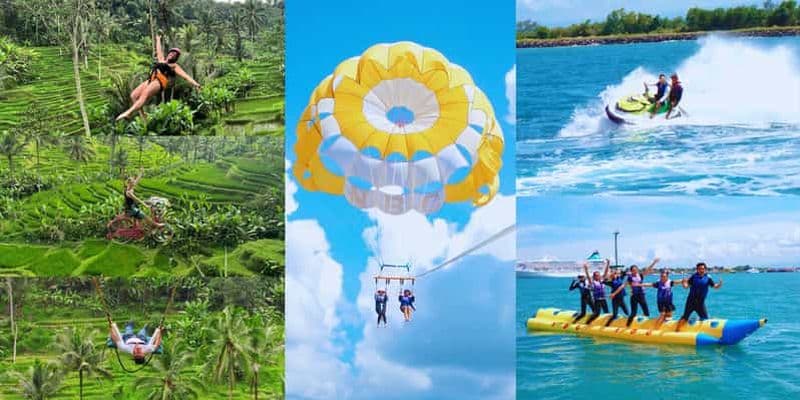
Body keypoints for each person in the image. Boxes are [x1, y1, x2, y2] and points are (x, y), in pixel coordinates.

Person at [115, 35, 201, 121]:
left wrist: (196, 84)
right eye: (172, 53)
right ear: (169, 53)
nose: (172, 54)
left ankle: (128, 113)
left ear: (175, 58)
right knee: (133, 95)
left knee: (143, 96)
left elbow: (185, 76)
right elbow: (159, 51)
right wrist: (158, 39)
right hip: (151, 80)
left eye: (175, 55)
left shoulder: (174, 66)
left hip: (160, 81)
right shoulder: (161, 60)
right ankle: (143, 116)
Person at [676, 262, 723, 332]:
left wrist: (719, 284)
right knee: (685, 317)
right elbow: (686, 287)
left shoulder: (708, 278)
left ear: (705, 269)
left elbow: (714, 286)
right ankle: (677, 330)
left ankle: (696, 324)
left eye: (703, 269)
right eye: (700, 269)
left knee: (705, 319)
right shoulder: (693, 277)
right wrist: (683, 283)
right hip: (691, 301)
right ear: (697, 269)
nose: (701, 270)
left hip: (700, 303)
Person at [621, 257, 660, 327]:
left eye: (636, 270)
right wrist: (616, 292)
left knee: (646, 312)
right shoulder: (630, 278)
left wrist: (654, 262)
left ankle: (644, 325)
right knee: (633, 313)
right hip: (634, 296)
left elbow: (647, 270)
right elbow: (624, 285)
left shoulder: (640, 275)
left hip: (641, 295)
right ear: (631, 271)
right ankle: (627, 326)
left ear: (638, 270)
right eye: (633, 270)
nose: (635, 271)